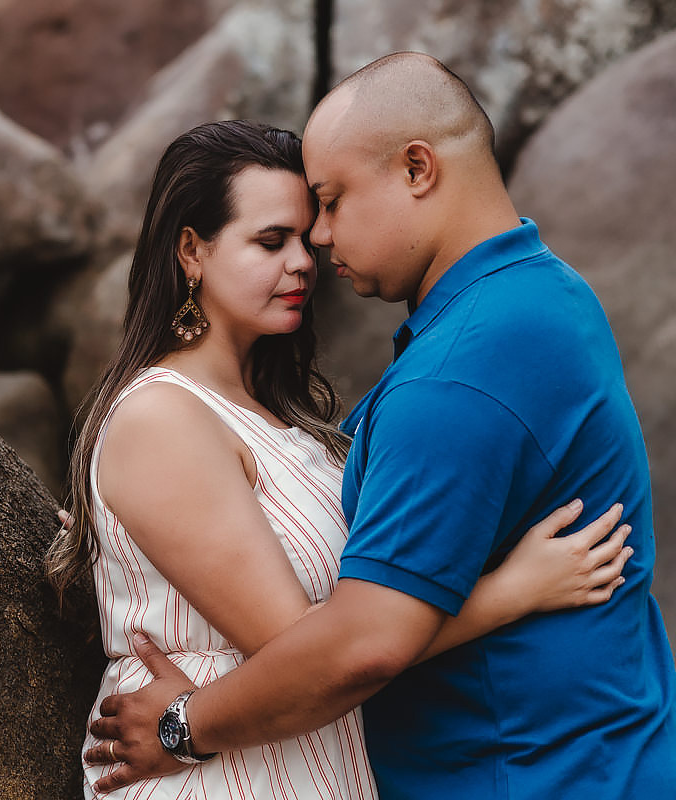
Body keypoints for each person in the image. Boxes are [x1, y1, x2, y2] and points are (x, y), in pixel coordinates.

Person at [82, 54, 676, 799]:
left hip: (529, 773)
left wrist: (184, 726)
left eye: (327, 206)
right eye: (277, 238)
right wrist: (514, 589)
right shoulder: (537, 299)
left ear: (418, 168)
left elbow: (355, 646)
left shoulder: (456, 368)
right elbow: (331, 641)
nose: (315, 247)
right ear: (192, 251)